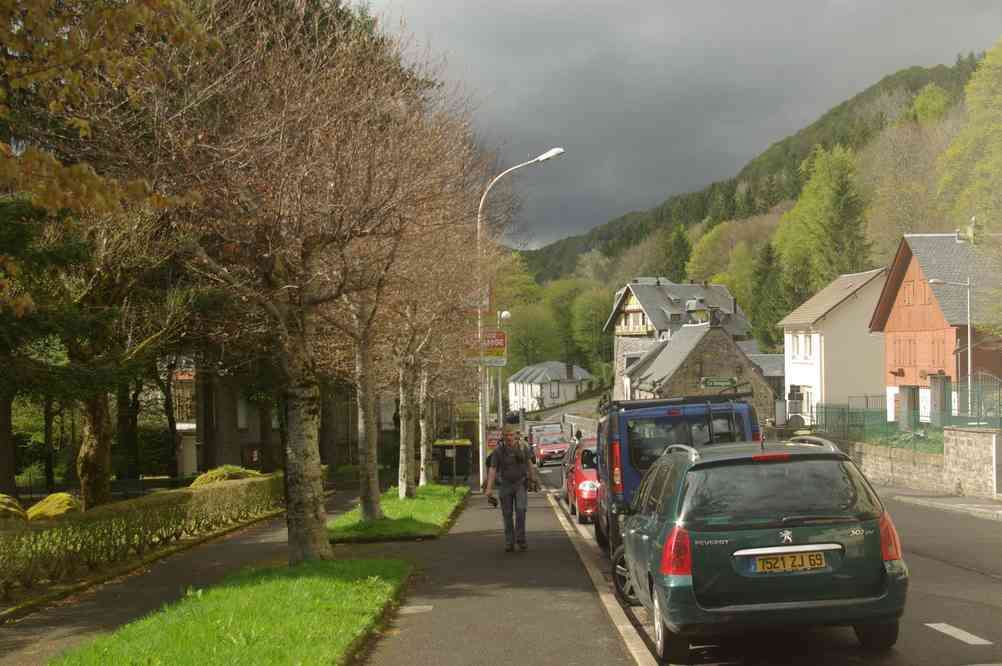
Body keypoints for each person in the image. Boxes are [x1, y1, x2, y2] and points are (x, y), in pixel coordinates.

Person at [484, 432, 540, 552]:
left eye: (511, 435)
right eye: (506, 435)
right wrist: (489, 488)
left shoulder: (523, 447)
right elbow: (493, 469)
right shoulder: (498, 451)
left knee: (521, 510)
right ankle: (509, 542)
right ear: (503, 437)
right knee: (507, 514)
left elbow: (529, 463)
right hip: (505, 485)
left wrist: (533, 478)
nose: (509, 437)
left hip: (520, 484)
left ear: (515, 436)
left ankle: (521, 539)